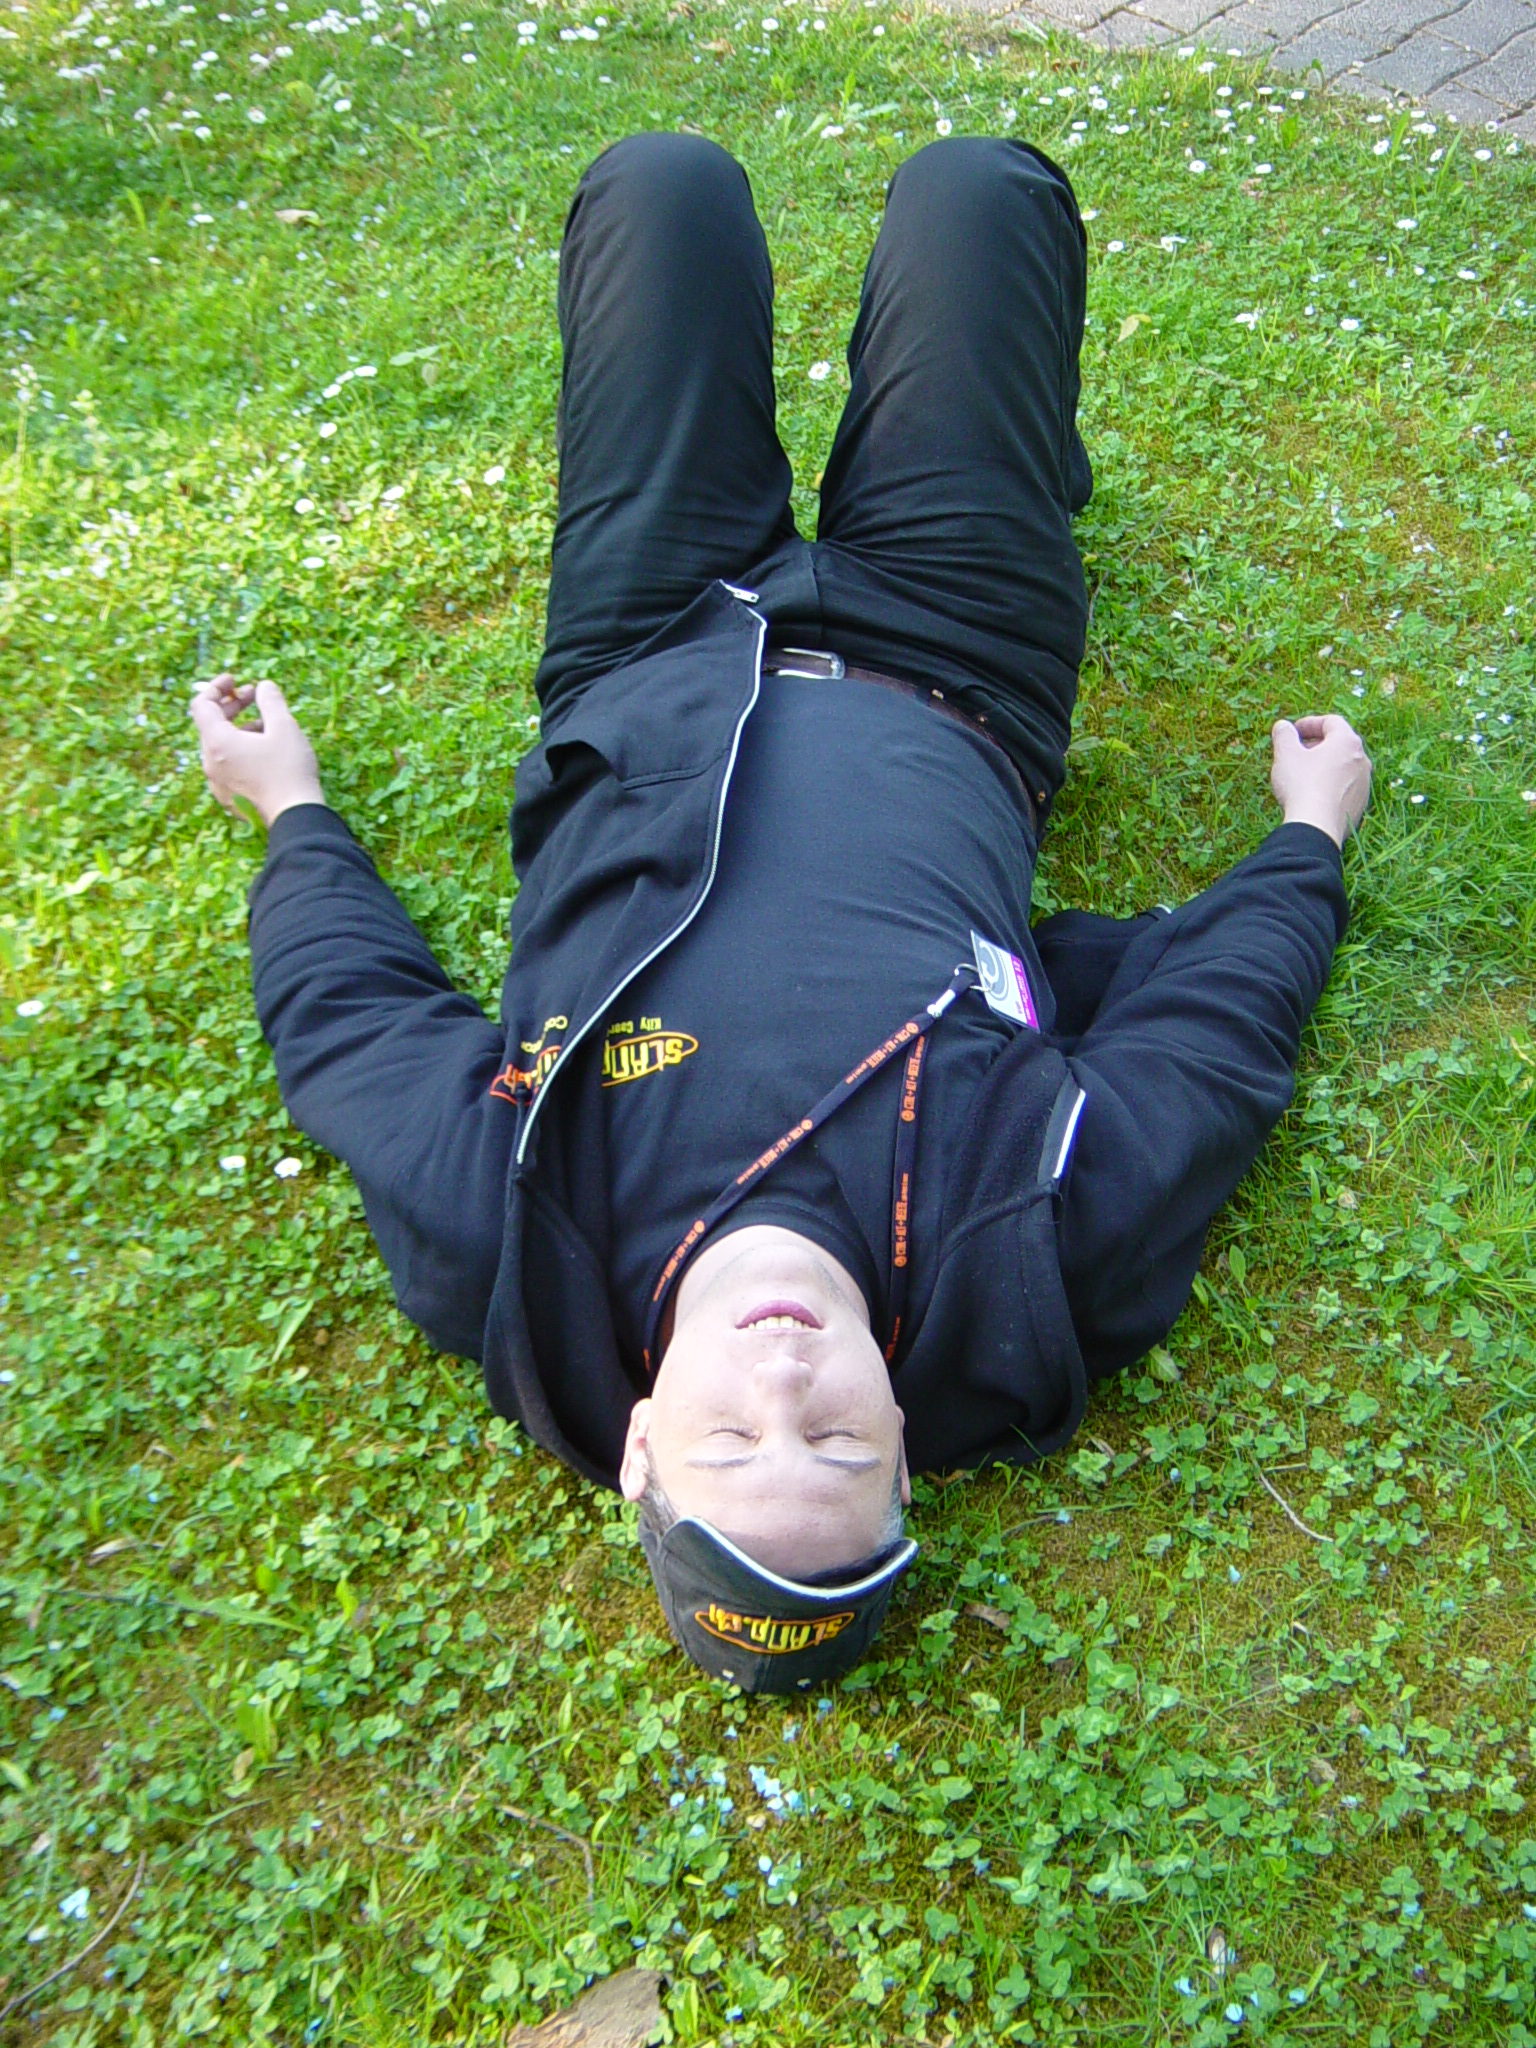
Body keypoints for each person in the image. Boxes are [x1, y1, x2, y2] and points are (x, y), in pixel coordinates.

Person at [190, 133, 1371, 1694]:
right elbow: (1216, 1046)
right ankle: (1014, 468)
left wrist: (287, 805)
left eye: (733, 1444)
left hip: (650, 642)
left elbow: (352, 1028)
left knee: (661, 190)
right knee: (981, 197)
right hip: (960, 661)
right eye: (842, 1443)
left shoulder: (515, 1236)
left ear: (639, 1446)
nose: (786, 1382)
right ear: (906, 1450)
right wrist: (1309, 837)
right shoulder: (1040, 1243)